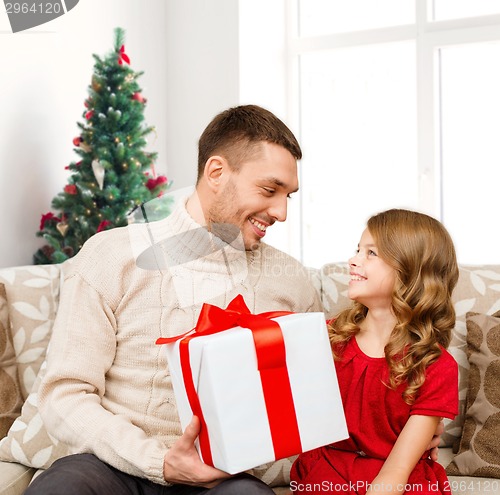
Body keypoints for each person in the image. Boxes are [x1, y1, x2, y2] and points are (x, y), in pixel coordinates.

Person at [25, 106, 442, 495]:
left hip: (228, 478)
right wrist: (160, 462)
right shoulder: (110, 257)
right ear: (216, 172)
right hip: (113, 467)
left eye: (288, 195)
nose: (280, 212)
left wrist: (411, 430)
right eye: (269, 189)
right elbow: (65, 395)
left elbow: (323, 394)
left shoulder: (291, 280)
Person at [290, 209, 459, 495]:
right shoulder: (325, 339)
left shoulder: (437, 366)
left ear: (411, 272)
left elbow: (396, 471)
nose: (353, 260)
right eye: (358, 250)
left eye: (371, 253)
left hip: (398, 480)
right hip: (329, 472)